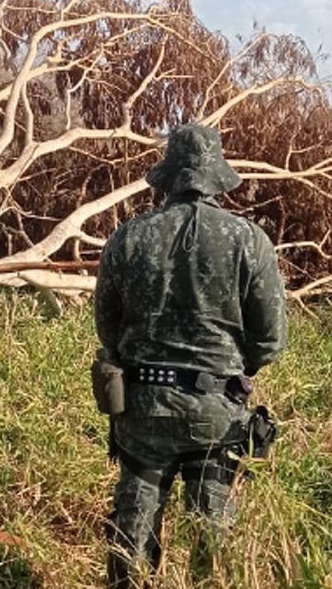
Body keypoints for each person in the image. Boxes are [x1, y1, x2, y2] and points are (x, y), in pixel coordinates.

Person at [93, 124, 287, 587]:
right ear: (217, 175)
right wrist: (232, 372)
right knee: (213, 543)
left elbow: (108, 330)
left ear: (169, 175)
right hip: (217, 413)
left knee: (131, 540)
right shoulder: (249, 240)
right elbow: (271, 340)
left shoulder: (128, 238)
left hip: (142, 410)